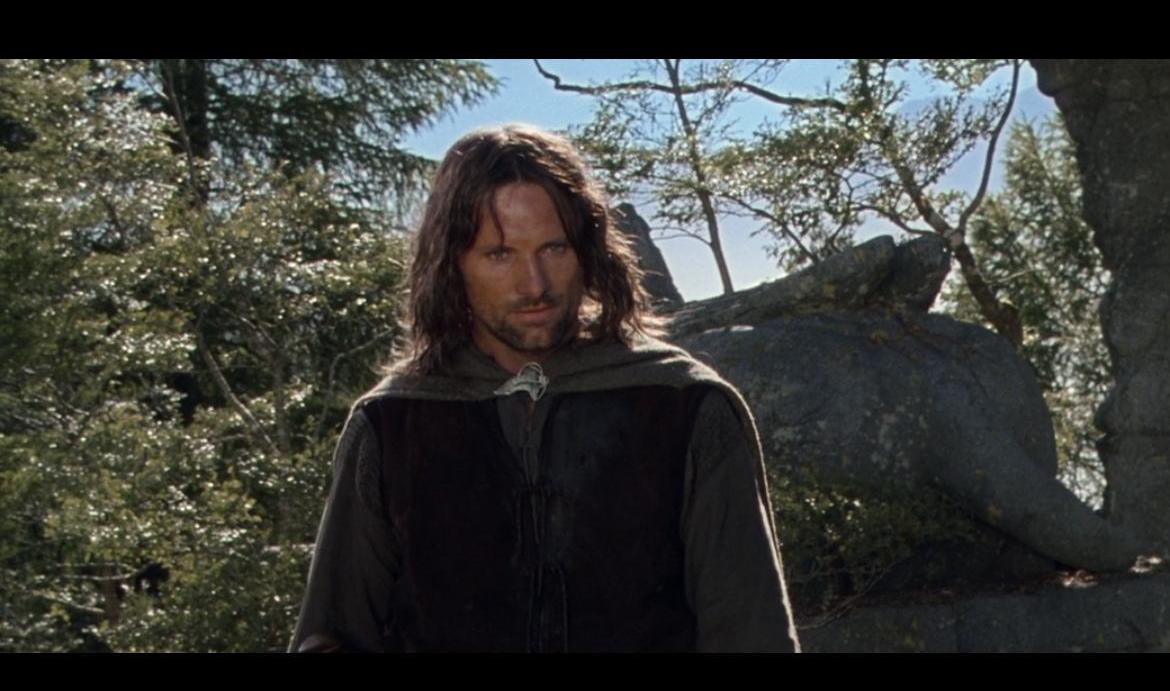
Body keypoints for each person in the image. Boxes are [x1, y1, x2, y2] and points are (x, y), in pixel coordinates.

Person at [290, 125, 798, 653]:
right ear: (453, 264)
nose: (534, 284)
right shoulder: (394, 424)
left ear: (587, 250)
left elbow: (752, 635)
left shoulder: (682, 406)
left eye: (553, 248)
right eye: (499, 254)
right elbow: (331, 636)